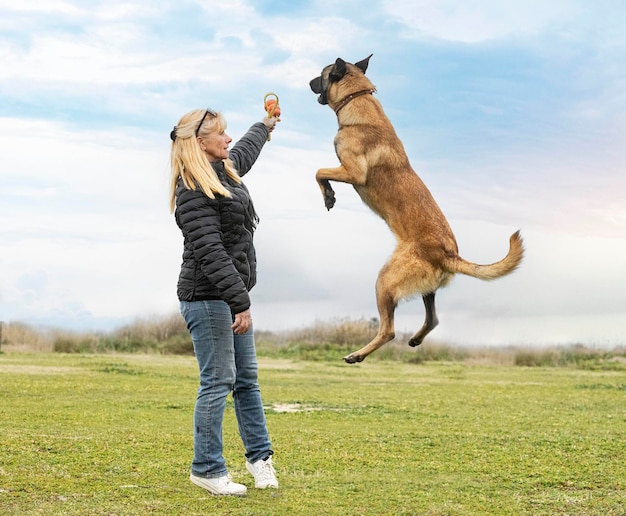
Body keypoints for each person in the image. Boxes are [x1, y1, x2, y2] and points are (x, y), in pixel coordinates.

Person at [169, 106, 280, 496]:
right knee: (218, 381)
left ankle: (259, 460)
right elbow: (211, 252)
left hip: (229, 296)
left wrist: (266, 126)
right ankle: (207, 469)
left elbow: (246, 149)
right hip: (207, 298)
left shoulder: (224, 171)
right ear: (200, 142)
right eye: (221, 134)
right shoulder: (192, 188)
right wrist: (240, 302)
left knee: (246, 382)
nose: (228, 139)